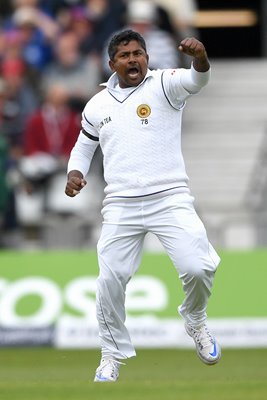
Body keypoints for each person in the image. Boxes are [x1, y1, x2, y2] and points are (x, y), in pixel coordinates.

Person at [65, 29, 221, 382]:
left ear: (147, 58)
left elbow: (198, 80)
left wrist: (199, 58)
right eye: (125, 55)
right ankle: (110, 353)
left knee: (198, 268)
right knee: (109, 280)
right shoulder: (97, 104)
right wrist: (75, 171)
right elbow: (83, 146)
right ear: (112, 64)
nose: (133, 59)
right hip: (121, 203)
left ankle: (195, 319)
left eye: (139, 53)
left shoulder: (165, 83)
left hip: (170, 197)